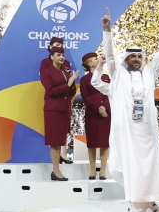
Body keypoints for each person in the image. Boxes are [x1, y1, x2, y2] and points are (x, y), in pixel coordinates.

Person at [91, 8, 159, 212]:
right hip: (126, 132)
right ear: (127, 59)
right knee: (126, 169)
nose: (137, 59)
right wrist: (106, 30)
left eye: (139, 56)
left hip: (146, 132)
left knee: (148, 169)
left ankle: (149, 202)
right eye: (133, 56)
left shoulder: (149, 72)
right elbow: (110, 55)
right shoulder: (118, 74)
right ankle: (138, 207)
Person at [41, 37, 77, 181]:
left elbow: (70, 91)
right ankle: (56, 170)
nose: (62, 57)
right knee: (54, 141)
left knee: (61, 140)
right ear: (51, 56)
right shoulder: (47, 69)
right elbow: (51, 91)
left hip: (64, 107)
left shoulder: (65, 69)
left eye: (63, 55)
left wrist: (72, 84)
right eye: (58, 55)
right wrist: (67, 85)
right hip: (53, 109)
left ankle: (57, 169)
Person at [78, 52, 109, 181]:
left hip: (106, 114)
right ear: (90, 63)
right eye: (96, 59)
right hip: (92, 114)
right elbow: (86, 97)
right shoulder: (84, 80)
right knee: (92, 143)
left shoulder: (106, 77)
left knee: (104, 143)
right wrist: (98, 108)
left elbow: (110, 93)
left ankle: (102, 170)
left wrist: (105, 108)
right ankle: (92, 169)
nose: (99, 60)